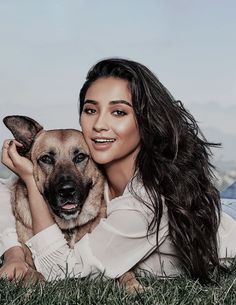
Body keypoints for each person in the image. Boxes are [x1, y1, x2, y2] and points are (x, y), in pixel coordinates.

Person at [0, 58, 236, 283]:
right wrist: (13, 252)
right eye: (91, 110)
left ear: (145, 120)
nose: (100, 124)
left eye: (119, 112)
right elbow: (4, 193)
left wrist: (31, 179)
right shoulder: (94, 169)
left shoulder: (146, 203)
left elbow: (61, 269)